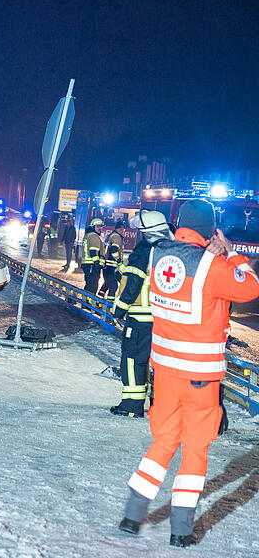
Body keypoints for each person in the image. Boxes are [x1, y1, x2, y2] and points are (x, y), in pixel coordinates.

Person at [119, 199, 259, 547]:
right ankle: (181, 530)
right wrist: (230, 254)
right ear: (211, 230)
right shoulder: (212, 265)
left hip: (165, 373)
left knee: (164, 441)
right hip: (200, 378)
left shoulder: (158, 256)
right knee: (195, 449)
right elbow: (251, 287)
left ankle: (131, 515)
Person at [110, 211, 172, 418]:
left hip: (140, 317)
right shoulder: (174, 250)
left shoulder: (144, 250)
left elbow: (134, 283)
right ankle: (160, 405)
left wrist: (118, 310)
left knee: (133, 360)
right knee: (161, 364)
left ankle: (132, 405)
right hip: (166, 319)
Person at [99, 220, 126, 300]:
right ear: (120, 228)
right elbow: (114, 250)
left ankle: (98, 301)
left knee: (106, 284)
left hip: (107, 265)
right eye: (123, 230)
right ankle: (109, 305)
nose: (123, 232)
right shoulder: (116, 237)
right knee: (113, 287)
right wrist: (118, 261)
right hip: (112, 266)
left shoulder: (112, 235)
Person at [81, 218, 104, 294]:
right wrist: (97, 263)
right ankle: (89, 304)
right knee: (93, 287)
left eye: (101, 226)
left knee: (88, 285)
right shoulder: (94, 236)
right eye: (98, 226)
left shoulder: (87, 235)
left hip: (87, 264)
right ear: (92, 227)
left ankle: (85, 304)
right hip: (92, 265)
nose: (100, 228)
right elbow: (93, 252)